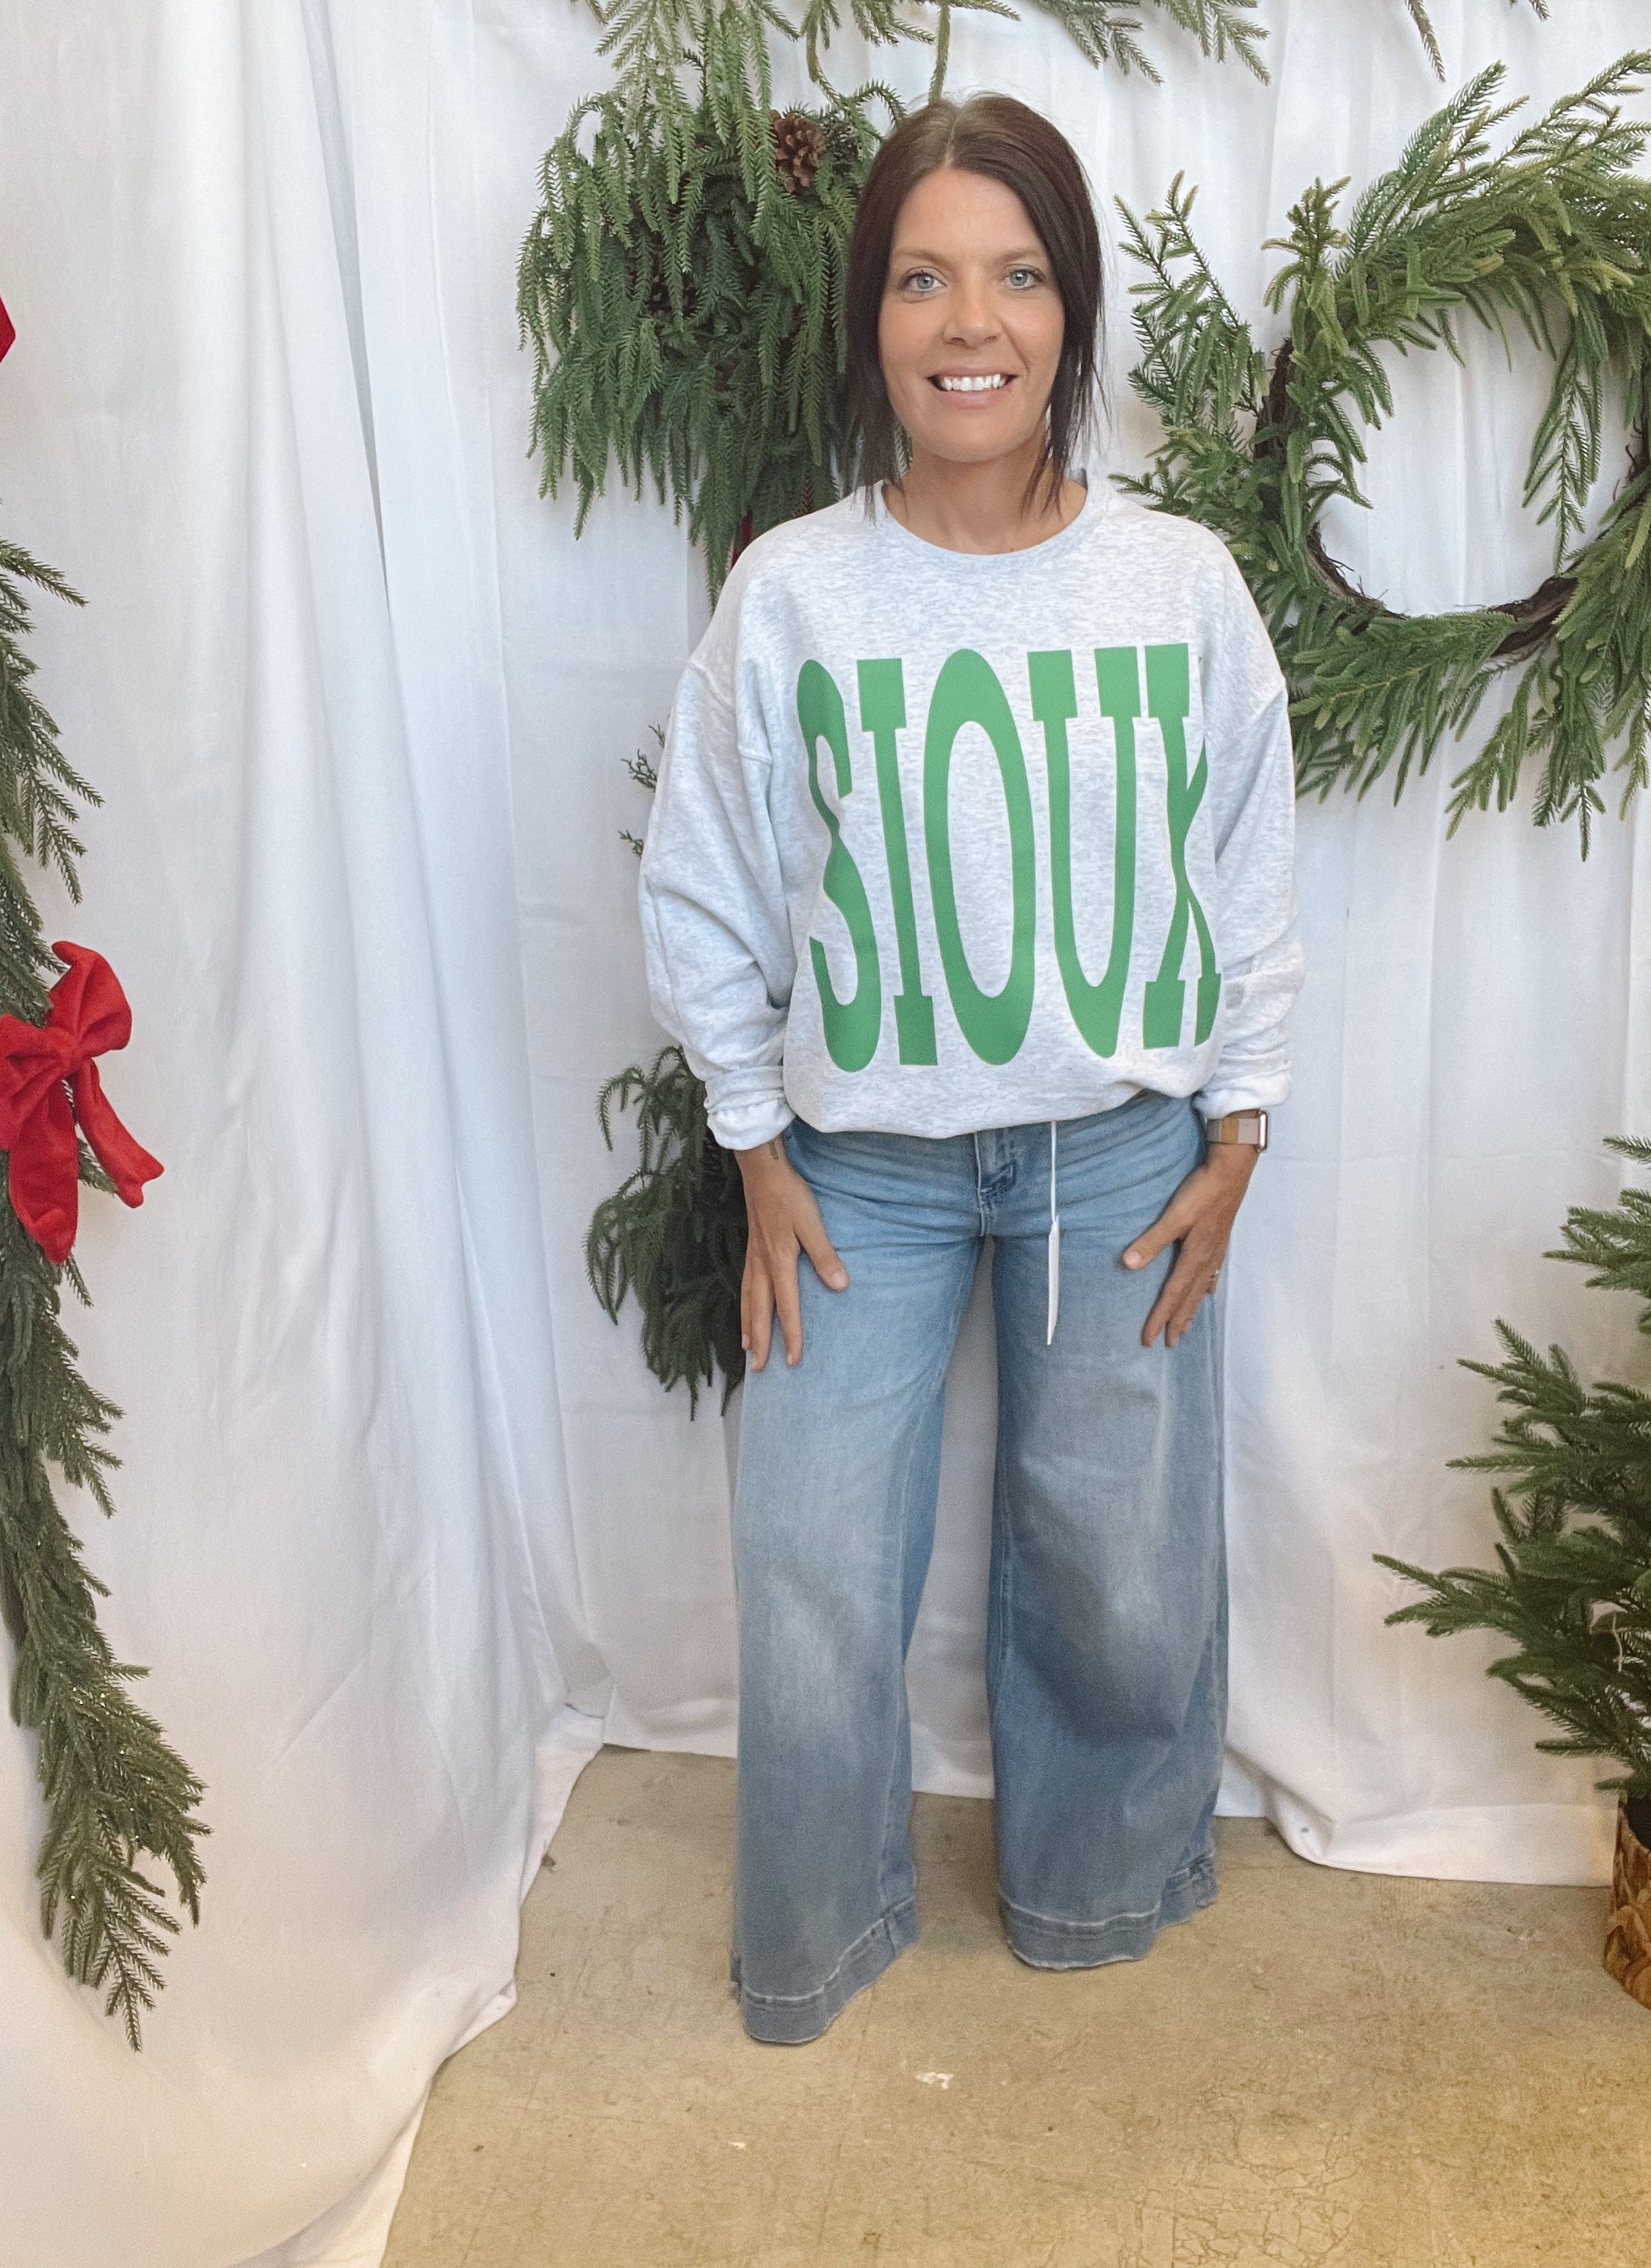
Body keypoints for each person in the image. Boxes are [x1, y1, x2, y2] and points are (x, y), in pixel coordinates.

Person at [638, 92, 1304, 2044]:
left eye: (1015, 274)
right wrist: (755, 1147)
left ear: (1068, 315)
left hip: (1121, 1150)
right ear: (873, 322)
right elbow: (705, 881)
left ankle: (1099, 1885)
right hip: (863, 1175)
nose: (968, 319)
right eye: (922, 274)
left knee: (1116, 1557)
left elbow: (1251, 856)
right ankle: (820, 1929)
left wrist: (1239, 1119)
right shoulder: (795, 595)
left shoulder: (1178, 586)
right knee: (814, 1556)